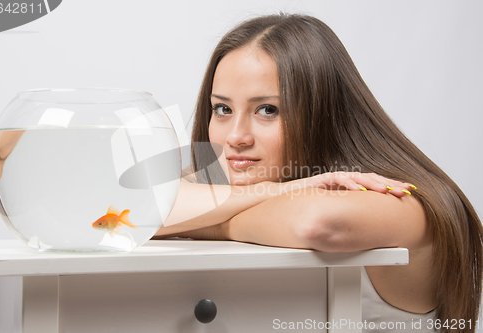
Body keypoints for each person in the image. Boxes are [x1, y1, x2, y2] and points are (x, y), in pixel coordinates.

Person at [153, 13, 483, 332]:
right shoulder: (246, 183)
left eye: (268, 110)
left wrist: (202, 221)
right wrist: (281, 189)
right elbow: (125, 206)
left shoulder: (404, 201)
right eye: (222, 109)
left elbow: (317, 224)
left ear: (324, 114)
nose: (236, 136)